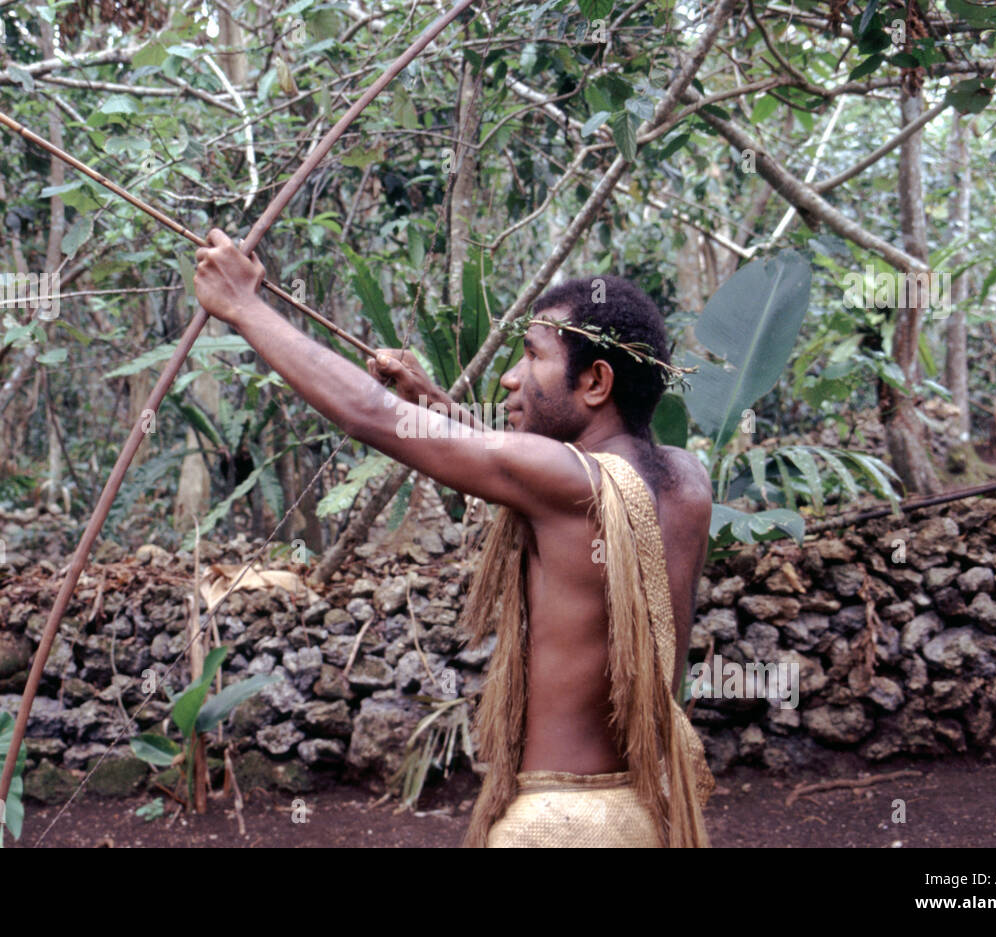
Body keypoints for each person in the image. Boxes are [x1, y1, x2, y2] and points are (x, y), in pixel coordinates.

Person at [194, 229, 715, 847]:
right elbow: (518, 468)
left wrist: (243, 307)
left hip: (562, 826)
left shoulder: (565, 483)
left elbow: (372, 416)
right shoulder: (686, 481)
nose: (512, 380)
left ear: (596, 383)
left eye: (533, 356)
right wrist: (433, 401)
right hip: (649, 812)